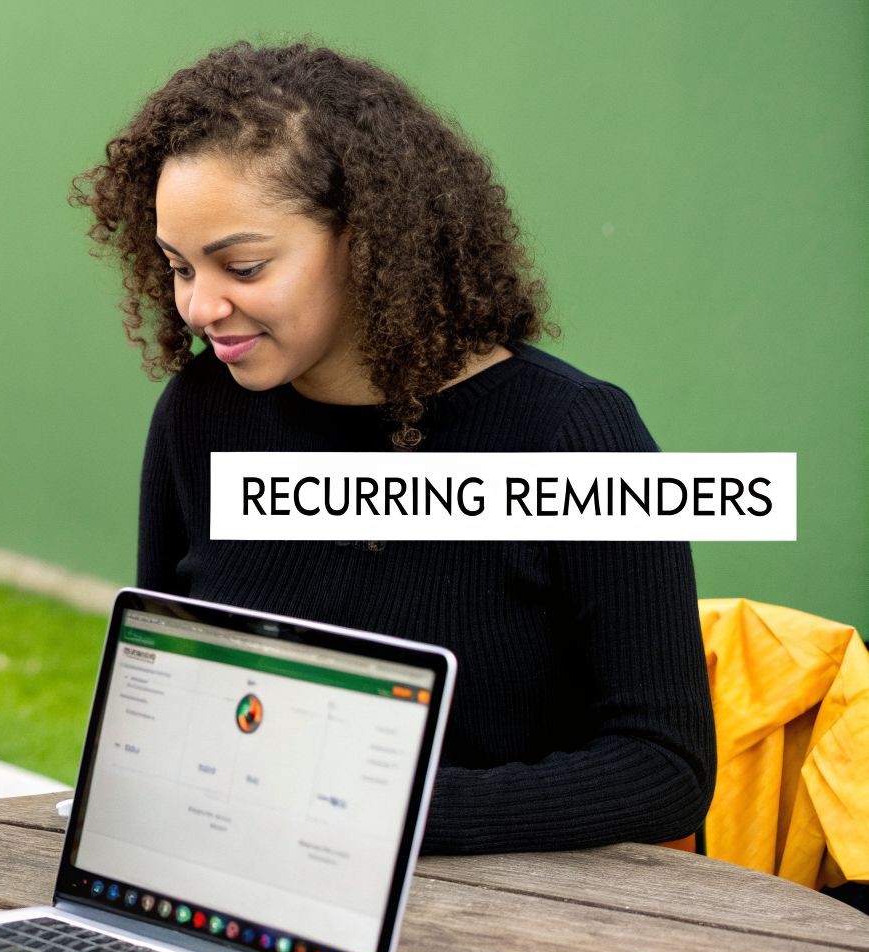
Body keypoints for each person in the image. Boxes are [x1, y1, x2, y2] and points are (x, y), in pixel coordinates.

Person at [74, 41, 716, 853]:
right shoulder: (200, 415)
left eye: (244, 266)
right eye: (179, 268)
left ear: (369, 240)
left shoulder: (573, 438)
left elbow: (665, 768)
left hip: (499, 908)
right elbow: (167, 695)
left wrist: (382, 819)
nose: (200, 308)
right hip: (243, 878)